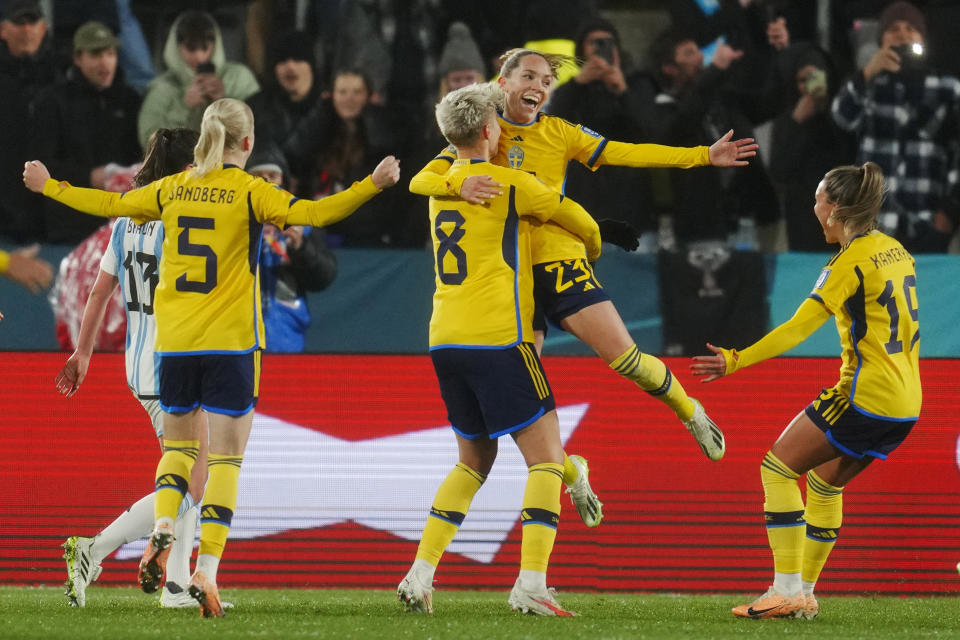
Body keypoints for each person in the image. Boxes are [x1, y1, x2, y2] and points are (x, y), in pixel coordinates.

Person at [25, 97, 400, 617]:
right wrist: (373, 185)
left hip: (168, 349)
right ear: (246, 143)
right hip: (228, 344)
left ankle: (163, 545)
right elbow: (312, 213)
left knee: (178, 463)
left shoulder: (167, 193)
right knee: (221, 464)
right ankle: (198, 569)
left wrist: (50, 187)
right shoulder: (248, 191)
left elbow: (105, 209)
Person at [410, 49, 754, 525]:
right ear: (503, 82)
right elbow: (422, 180)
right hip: (509, 283)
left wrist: (702, 156)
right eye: (528, 75)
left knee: (625, 358)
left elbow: (625, 152)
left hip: (558, 263)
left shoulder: (559, 132)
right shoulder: (483, 128)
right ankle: (572, 474)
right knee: (524, 410)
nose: (539, 85)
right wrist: (457, 186)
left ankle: (688, 408)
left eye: (546, 79)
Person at [397, 81, 601, 617]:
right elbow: (579, 219)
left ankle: (420, 574)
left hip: (445, 338)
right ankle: (531, 583)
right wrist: (593, 250)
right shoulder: (510, 182)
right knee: (545, 462)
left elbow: (427, 176)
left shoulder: (441, 182)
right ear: (492, 130)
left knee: (473, 460)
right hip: (500, 338)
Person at [692, 162, 921, 620]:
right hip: (907, 404)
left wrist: (737, 359)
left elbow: (797, 329)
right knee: (822, 485)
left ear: (835, 209)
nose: (813, 207)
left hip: (863, 396)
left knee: (776, 469)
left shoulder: (846, 263)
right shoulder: (894, 249)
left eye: (818, 199)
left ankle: (785, 589)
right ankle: (806, 594)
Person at [56, 128, 211, 609]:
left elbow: (100, 291)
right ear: (188, 168)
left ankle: (176, 585)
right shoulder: (180, 215)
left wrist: (83, 352)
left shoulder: (127, 217)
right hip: (174, 361)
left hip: (138, 363)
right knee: (193, 483)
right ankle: (94, 549)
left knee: (189, 477)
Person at [831, 1, 960, 253]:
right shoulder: (867, 83)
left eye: (910, 29)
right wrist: (867, 73)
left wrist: (948, 214)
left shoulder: (948, 88)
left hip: (925, 222)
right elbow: (842, 117)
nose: (902, 35)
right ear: (881, 40)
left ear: (922, 38)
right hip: (873, 225)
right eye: (894, 29)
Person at [33, 21, 143, 244]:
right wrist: (88, 177)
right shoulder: (53, 101)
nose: (105, 62)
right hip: (69, 227)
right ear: (77, 58)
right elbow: (40, 164)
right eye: (95, 55)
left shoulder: (130, 99)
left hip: (119, 226)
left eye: (110, 53)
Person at [283, 68, 400, 248]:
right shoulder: (321, 128)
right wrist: (321, 112)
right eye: (342, 92)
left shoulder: (379, 129)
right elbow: (294, 154)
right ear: (331, 96)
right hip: (321, 228)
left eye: (357, 92)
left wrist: (373, 114)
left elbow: (386, 151)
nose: (349, 98)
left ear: (369, 96)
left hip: (368, 235)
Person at [246, 147, 337, 353]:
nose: (266, 182)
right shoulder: (233, 222)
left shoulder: (301, 222)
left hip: (287, 335)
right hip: (241, 334)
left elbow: (325, 277)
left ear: (284, 181)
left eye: (272, 175)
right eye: (258, 176)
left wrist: (301, 248)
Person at [137, 10, 259, 149]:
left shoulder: (238, 77)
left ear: (216, 44)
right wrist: (183, 108)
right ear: (176, 47)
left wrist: (224, 103)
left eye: (205, 47)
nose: (199, 56)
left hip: (231, 166)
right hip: (183, 167)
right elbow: (148, 143)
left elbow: (259, 130)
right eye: (191, 48)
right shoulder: (162, 88)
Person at [0, 0, 61, 242]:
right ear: (3, 30)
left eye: (32, 22)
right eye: (19, 23)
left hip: (51, 211)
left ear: (43, 28)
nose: (27, 29)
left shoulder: (62, 74)